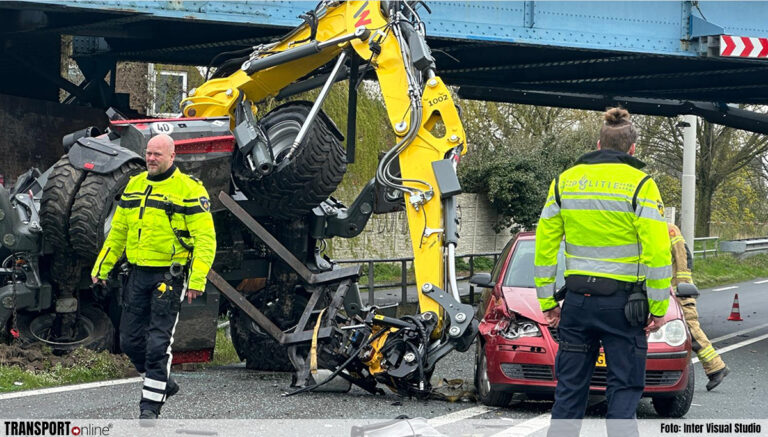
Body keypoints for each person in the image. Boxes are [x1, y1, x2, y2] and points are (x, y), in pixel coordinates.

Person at [534, 108, 672, 436]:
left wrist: (547, 301)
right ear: (632, 149)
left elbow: (544, 246)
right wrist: (659, 306)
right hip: (624, 308)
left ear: (598, 143)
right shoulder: (642, 185)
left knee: (569, 391)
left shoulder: (565, 182)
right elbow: (657, 252)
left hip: (578, 305)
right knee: (623, 391)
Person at [91, 134, 216, 421]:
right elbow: (118, 234)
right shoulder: (135, 186)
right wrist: (102, 268)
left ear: (172, 157)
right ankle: (163, 384)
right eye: (148, 153)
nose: (150, 159)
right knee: (129, 340)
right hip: (136, 274)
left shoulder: (189, 189)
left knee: (159, 343)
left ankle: (149, 408)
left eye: (157, 154)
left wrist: (197, 280)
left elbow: (205, 239)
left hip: (168, 277)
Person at [668, 223, 729, 390]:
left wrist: (681, 288)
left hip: (678, 292)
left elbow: (682, 260)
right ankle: (716, 368)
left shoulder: (669, 230)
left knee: (691, 329)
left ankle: (716, 368)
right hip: (670, 291)